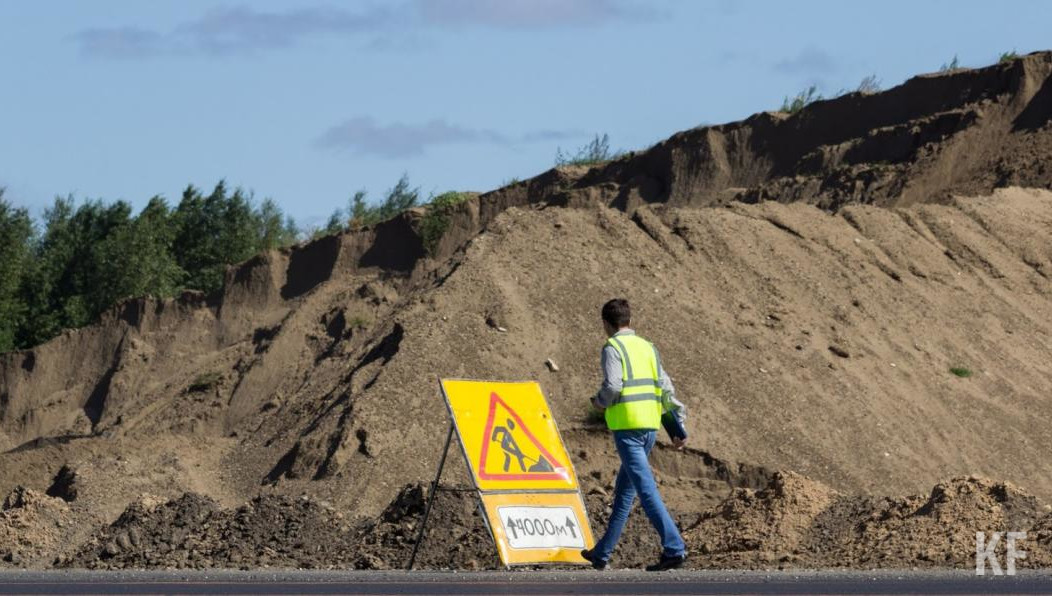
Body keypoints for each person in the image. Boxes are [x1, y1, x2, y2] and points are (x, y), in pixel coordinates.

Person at [581, 298, 688, 571]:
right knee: (624, 493)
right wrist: (677, 426)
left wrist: (599, 403)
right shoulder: (648, 347)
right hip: (649, 427)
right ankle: (602, 553)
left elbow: (613, 386)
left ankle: (674, 548)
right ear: (629, 320)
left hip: (627, 429)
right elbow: (665, 388)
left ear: (606, 324)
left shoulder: (612, 347)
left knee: (646, 490)